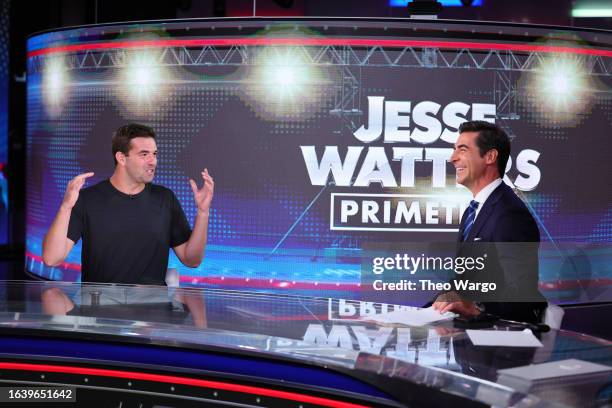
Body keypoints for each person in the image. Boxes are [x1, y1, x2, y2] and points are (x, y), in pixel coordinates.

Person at [41, 123, 213, 319]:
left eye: (155, 154)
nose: (153, 161)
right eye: (144, 154)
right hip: (100, 310)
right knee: (51, 296)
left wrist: (203, 212)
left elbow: (192, 259)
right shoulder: (88, 199)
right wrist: (65, 207)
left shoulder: (165, 198)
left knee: (192, 299)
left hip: (152, 311)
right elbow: (51, 258)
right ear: (121, 158)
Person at [432, 120, 547, 324]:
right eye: (454, 150)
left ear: (490, 157)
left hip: (499, 348)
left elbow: (521, 296)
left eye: (463, 149)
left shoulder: (509, 213)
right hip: (468, 344)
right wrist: (414, 316)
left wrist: (475, 308)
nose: (452, 158)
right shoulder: (473, 210)